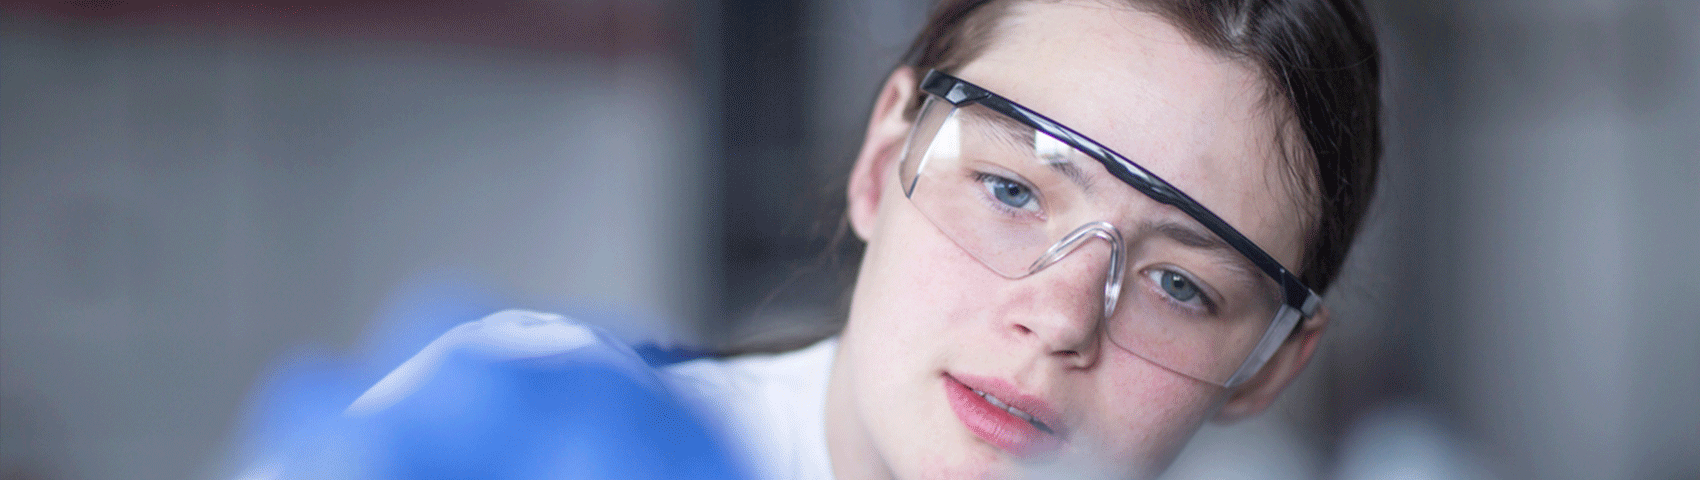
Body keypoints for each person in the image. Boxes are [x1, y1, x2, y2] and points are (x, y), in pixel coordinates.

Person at [331, 0, 1382, 479]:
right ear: (885, 158)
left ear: (1267, 367)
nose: (1060, 318)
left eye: (1178, 286)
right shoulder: (538, 439)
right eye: (1012, 190)